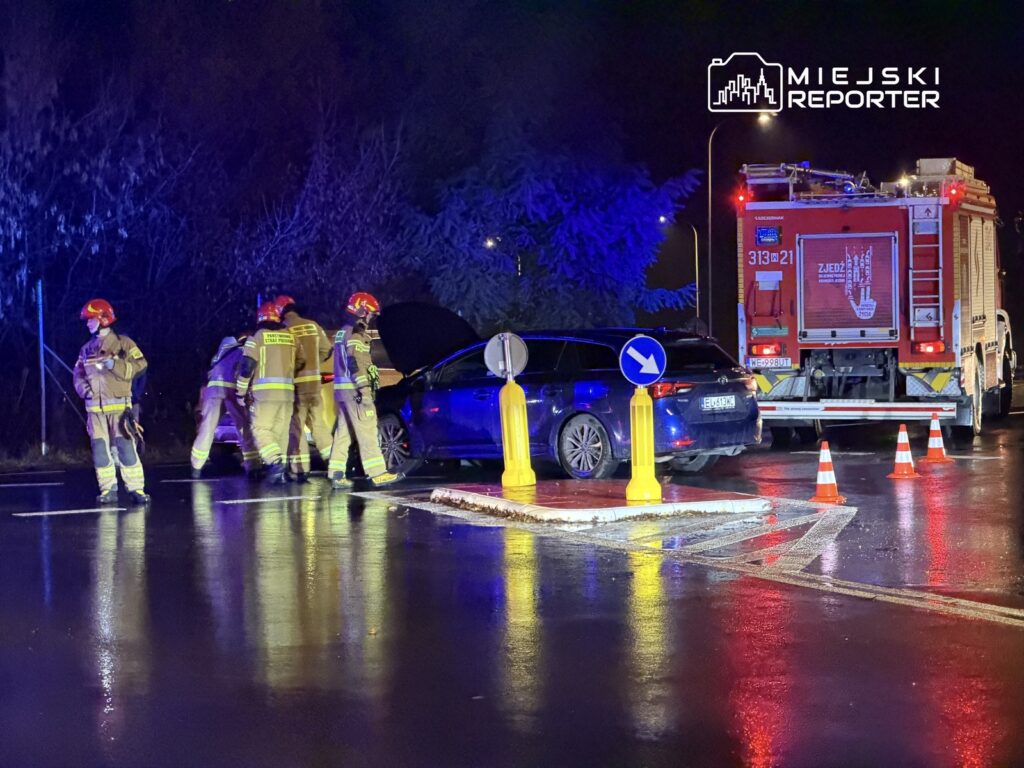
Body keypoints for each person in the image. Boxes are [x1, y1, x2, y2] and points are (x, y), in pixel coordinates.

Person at [73, 299, 150, 505]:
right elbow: (78, 375)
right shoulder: (86, 349)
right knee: (99, 450)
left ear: (103, 319)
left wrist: (115, 364)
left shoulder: (124, 344)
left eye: (91, 320)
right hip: (95, 412)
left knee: (125, 448)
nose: (88, 324)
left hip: (119, 408)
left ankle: (136, 489)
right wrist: (85, 391)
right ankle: (108, 490)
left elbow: (141, 365)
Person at [327, 292, 403, 490]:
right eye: (370, 314)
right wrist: (363, 387)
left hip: (343, 392)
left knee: (344, 433)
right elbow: (355, 362)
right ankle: (378, 473)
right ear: (362, 311)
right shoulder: (356, 334)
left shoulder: (342, 332)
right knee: (368, 430)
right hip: (356, 392)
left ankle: (336, 473)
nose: (371, 319)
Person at [235, 301, 303, 484]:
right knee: (280, 433)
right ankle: (279, 474)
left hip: (265, 395)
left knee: (260, 429)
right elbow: (301, 361)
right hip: (287, 395)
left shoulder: (257, 338)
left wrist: (240, 392)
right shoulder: (291, 337)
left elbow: (247, 367)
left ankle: (274, 460)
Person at [275, 295, 334, 482]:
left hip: (296, 385)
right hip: (315, 384)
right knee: (319, 424)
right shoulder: (313, 326)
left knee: (297, 426)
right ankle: (334, 464)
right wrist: (315, 362)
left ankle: (301, 469)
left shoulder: (285, 331)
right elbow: (327, 349)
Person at [190, 331, 259, 479]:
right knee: (244, 426)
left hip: (214, 388)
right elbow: (247, 372)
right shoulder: (247, 351)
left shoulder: (226, 345)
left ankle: (196, 467)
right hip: (233, 389)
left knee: (207, 427)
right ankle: (253, 466)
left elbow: (213, 363)